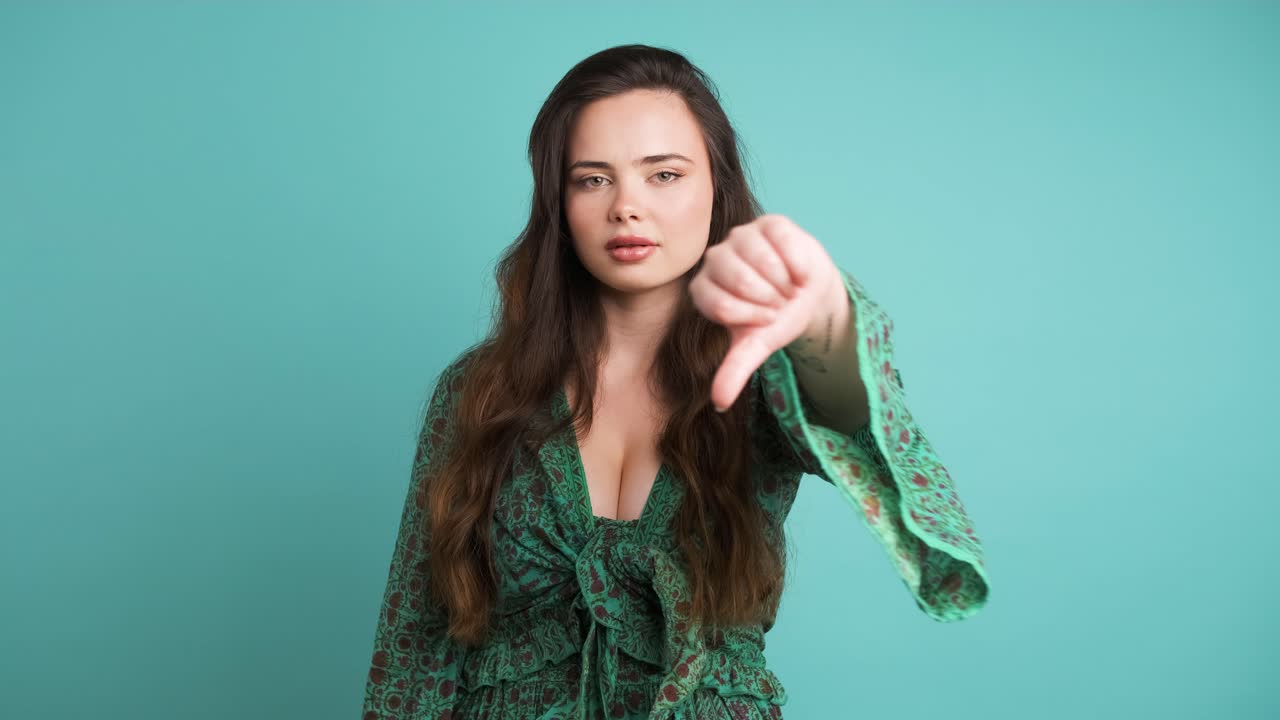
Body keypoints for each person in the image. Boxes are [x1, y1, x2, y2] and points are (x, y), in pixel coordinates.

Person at [360, 44, 989, 720]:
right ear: (558, 202)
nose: (627, 207)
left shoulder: (765, 376)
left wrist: (826, 317)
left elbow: (861, 425)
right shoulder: (478, 390)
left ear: (715, 187)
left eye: (663, 174)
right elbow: (414, 652)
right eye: (592, 179)